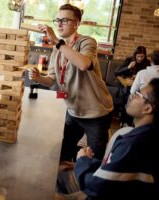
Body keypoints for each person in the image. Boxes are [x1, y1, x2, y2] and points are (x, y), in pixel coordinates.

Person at [29, 4, 113, 161]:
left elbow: (83, 64)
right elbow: (51, 80)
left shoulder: (87, 42)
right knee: (65, 153)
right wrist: (38, 78)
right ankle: (66, 183)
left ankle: (89, 184)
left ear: (77, 23)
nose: (59, 24)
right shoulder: (57, 49)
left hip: (96, 113)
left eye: (65, 20)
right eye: (58, 20)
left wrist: (56, 41)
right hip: (73, 110)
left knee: (95, 159)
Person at [74, 78, 159, 199]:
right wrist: (89, 160)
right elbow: (117, 167)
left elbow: (96, 187)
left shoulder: (133, 144)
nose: (132, 95)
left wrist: (82, 160)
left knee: (57, 176)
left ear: (148, 109)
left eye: (138, 94)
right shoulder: (145, 136)